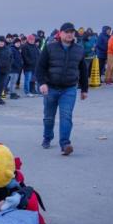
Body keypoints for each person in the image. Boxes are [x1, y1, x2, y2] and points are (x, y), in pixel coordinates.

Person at [36, 22, 89, 155]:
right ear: (60, 33)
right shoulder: (50, 48)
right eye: (67, 32)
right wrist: (42, 83)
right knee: (49, 117)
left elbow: (83, 70)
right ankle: (47, 137)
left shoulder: (79, 49)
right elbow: (40, 67)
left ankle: (65, 144)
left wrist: (84, 89)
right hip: (51, 88)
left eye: (72, 32)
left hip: (69, 89)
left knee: (66, 116)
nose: (70, 34)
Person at [0, 37, 12, 105]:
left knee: (3, 84)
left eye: (2, 42)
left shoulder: (8, 49)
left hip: (6, 69)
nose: (1, 43)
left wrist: (9, 65)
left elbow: (11, 58)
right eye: (0, 42)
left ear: (4, 42)